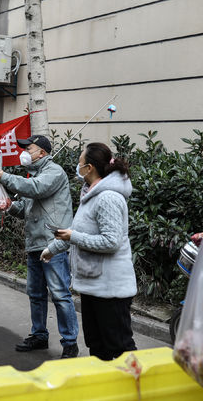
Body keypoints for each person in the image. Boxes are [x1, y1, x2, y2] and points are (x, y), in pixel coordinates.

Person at [42, 142, 137, 360]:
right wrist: (53, 248)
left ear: (90, 167)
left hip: (110, 289)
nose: (78, 167)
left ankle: (135, 390)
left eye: (80, 163)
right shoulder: (91, 194)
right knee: (97, 347)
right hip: (94, 286)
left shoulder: (108, 198)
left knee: (120, 347)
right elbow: (77, 231)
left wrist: (72, 237)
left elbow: (111, 241)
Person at [0, 134, 80, 359]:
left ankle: (70, 343)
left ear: (42, 152)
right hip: (35, 244)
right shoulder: (35, 174)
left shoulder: (53, 172)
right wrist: (6, 205)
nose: (24, 153)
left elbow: (37, 189)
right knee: (36, 294)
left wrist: (3, 177)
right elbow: (25, 208)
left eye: (28, 149)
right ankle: (39, 335)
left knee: (60, 295)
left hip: (54, 244)